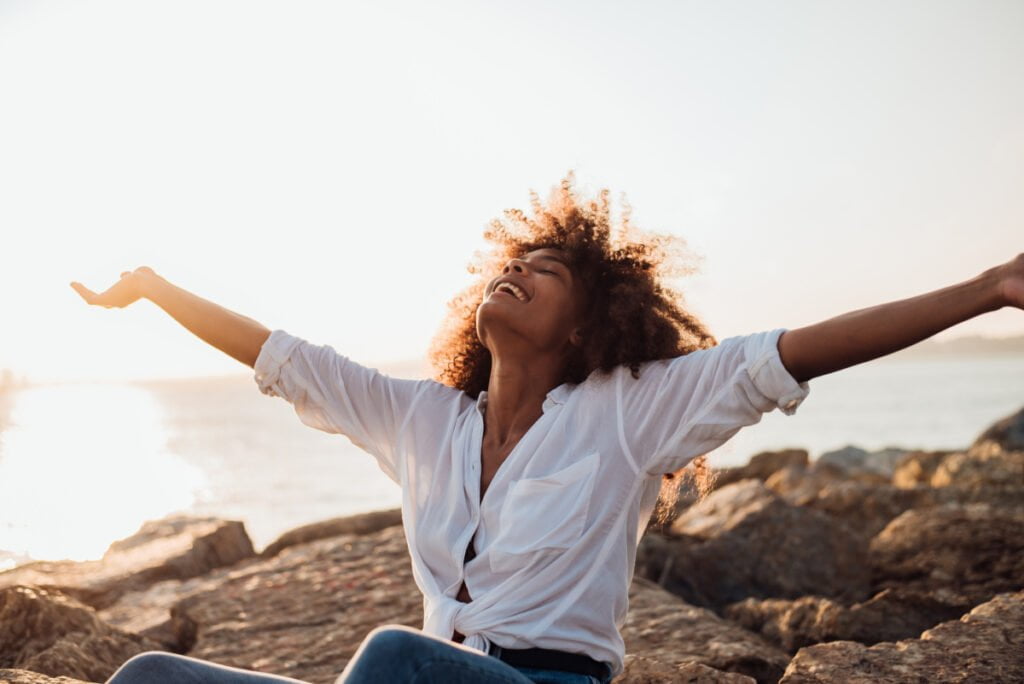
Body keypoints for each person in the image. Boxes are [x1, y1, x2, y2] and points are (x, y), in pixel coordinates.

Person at [74, 173, 1022, 684]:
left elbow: (790, 353)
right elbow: (283, 357)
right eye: (512, 260)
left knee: (396, 656)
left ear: (585, 324)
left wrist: (985, 290)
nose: (516, 271)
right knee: (153, 677)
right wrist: (154, 290)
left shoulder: (631, 412)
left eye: (546, 271)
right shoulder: (421, 419)